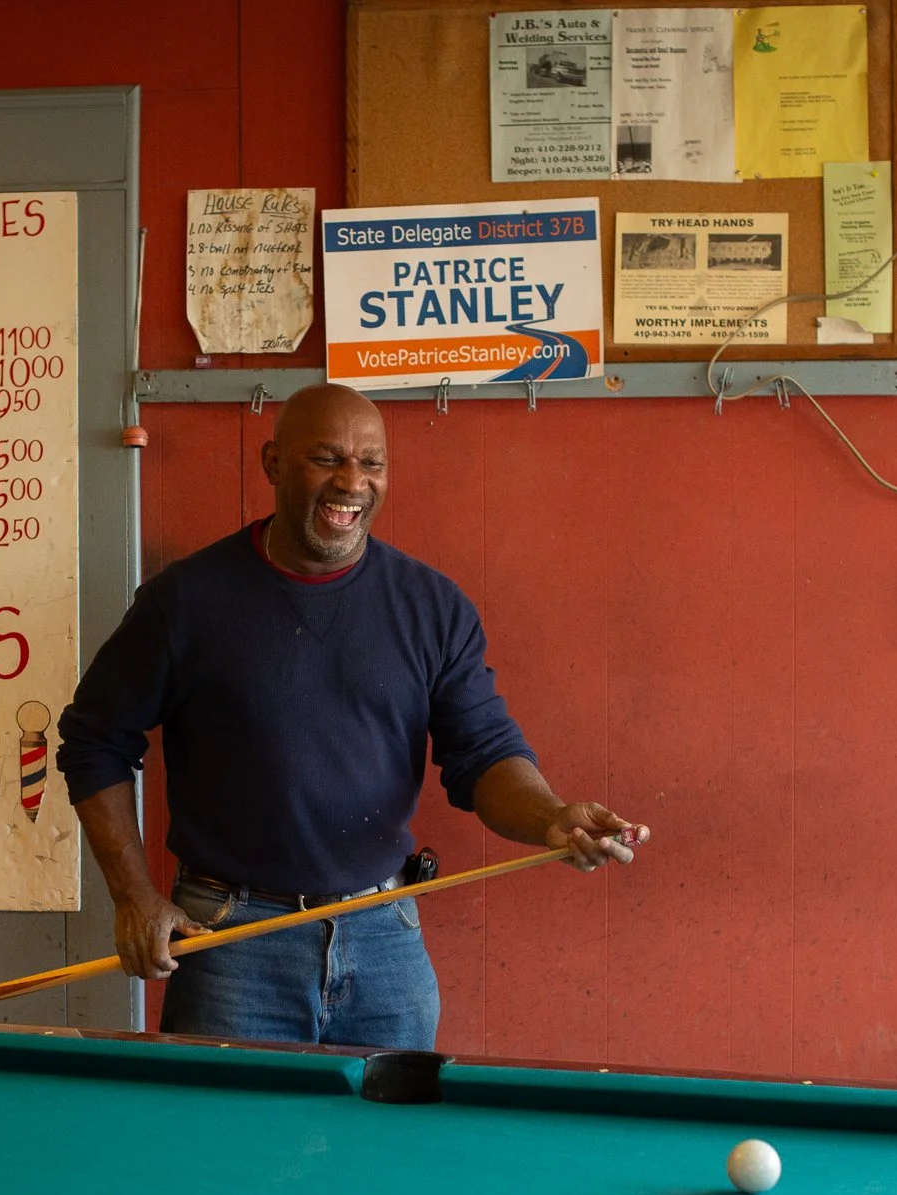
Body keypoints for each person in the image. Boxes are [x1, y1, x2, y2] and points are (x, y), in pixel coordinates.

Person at [55, 384, 645, 1049]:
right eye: (327, 458)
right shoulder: (185, 601)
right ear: (274, 463)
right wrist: (134, 896)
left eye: (372, 462)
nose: (352, 482)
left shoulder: (433, 606)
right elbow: (94, 740)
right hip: (230, 938)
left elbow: (481, 752)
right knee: (226, 1151)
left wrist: (550, 817)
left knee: (393, 1153)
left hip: (383, 934)